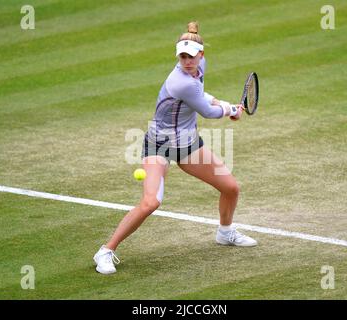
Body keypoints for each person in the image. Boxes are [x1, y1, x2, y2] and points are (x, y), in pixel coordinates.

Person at [94, 22, 257, 275]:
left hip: (188, 144)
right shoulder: (182, 81)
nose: (187, 61)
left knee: (231, 188)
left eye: (191, 56)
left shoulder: (199, 69)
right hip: (159, 145)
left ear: (201, 55)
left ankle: (225, 232)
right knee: (150, 203)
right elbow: (207, 111)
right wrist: (231, 109)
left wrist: (225, 104)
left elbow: (203, 94)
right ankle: (105, 251)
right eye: (182, 56)